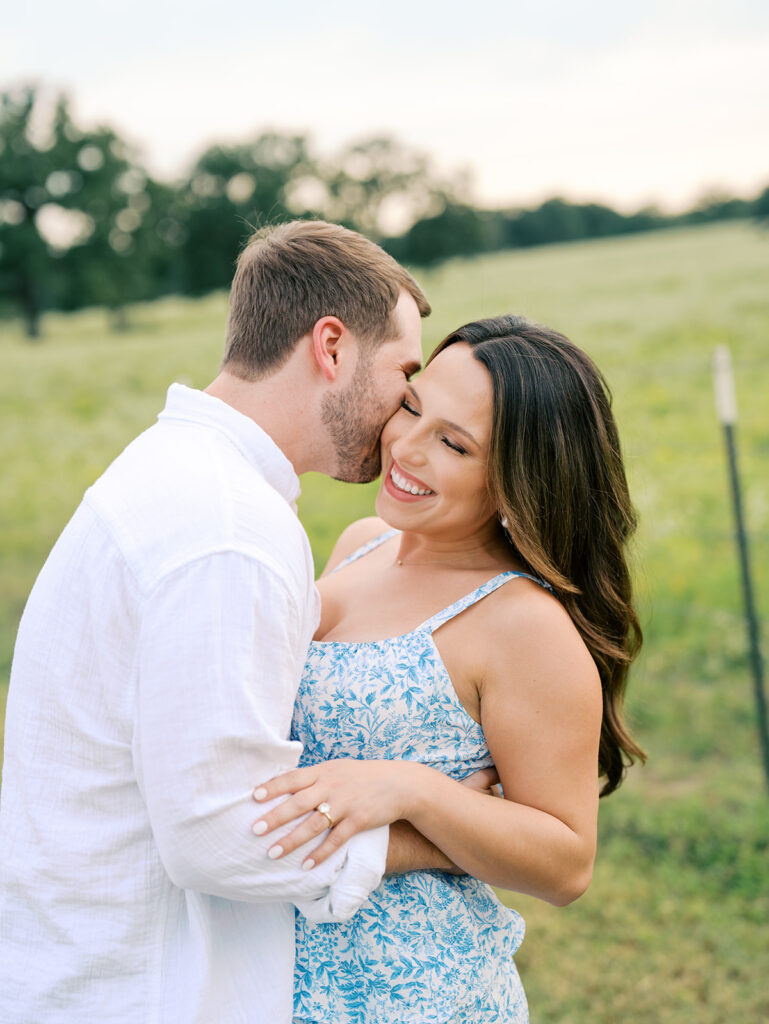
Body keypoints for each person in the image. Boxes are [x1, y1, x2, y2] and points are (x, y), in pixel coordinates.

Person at [0, 219, 451, 1024]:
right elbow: (219, 835)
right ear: (332, 347)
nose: (403, 415)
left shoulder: (179, 474)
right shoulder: (227, 530)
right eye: (403, 375)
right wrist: (435, 835)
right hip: (139, 991)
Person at [250, 315, 646, 1023]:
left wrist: (413, 790)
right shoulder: (363, 542)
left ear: (516, 481)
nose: (405, 447)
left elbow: (565, 862)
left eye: (453, 444)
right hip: (267, 971)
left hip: (409, 993)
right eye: (411, 406)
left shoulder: (521, 623)